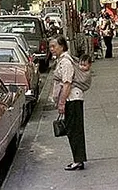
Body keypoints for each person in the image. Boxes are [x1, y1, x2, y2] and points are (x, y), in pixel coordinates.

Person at [50, 35, 87, 171]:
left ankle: (78, 160)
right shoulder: (62, 60)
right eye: (50, 47)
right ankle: (78, 159)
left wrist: (61, 103)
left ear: (62, 46)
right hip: (71, 99)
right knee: (73, 130)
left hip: (72, 99)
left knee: (74, 130)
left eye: (54, 46)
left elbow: (67, 83)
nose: (51, 49)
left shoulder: (65, 62)